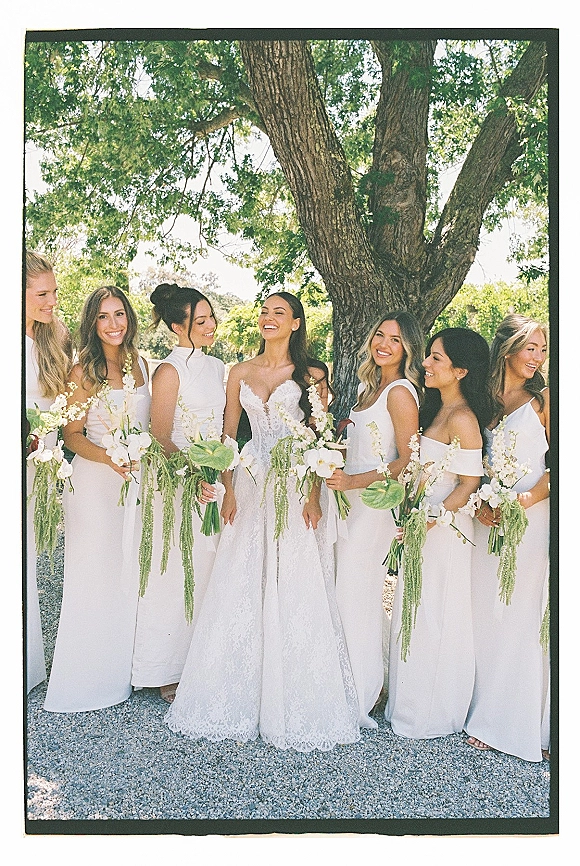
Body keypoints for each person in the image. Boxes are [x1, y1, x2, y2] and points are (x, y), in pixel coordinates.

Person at [166, 291, 360, 751]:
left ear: (295, 323)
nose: (268, 319)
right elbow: (228, 435)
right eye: (265, 312)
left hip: (295, 480)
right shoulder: (240, 371)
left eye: (279, 313)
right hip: (251, 477)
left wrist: (314, 495)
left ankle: (292, 693)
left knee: (294, 575)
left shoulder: (312, 374)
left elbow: (321, 437)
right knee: (242, 573)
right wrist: (227, 488)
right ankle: (235, 690)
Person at [44, 287, 150, 712]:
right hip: (95, 483)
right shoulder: (82, 372)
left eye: (119, 314)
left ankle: (125, 671)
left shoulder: (141, 365)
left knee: (127, 573)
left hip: (135, 485)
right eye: (104, 317)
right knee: (95, 575)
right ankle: (88, 678)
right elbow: (72, 436)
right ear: (92, 323)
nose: (113, 324)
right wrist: (110, 457)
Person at [386, 327, 493, 739]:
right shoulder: (438, 410)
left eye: (436, 359)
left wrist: (428, 518)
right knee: (414, 606)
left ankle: (431, 711)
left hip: (444, 530)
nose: (426, 364)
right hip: (422, 524)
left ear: (461, 370)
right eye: (428, 355)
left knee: (435, 612)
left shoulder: (463, 418)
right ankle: (409, 701)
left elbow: (468, 482)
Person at [325, 311, 423, 729]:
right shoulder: (369, 388)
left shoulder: (400, 392)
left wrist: (352, 480)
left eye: (395, 339)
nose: (384, 343)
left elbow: (406, 460)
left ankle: (360, 691)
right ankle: (347, 678)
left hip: (373, 504)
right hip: (350, 498)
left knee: (356, 590)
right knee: (343, 587)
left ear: (408, 349)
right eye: (379, 334)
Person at [131, 284, 226, 704]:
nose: (210, 326)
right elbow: (161, 435)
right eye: (199, 321)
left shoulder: (217, 366)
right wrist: (192, 473)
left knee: (205, 571)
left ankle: (197, 661)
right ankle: (162, 668)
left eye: (210, 317)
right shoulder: (169, 370)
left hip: (210, 479)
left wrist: (216, 467)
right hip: (178, 481)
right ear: (176, 327)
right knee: (174, 569)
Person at [464, 314, 550, 762]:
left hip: (530, 520)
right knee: (485, 609)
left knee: (519, 611)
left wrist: (528, 498)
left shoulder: (544, 400)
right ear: (507, 349)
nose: (536, 358)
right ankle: (481, 704)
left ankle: (514, 719)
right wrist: (481, 502)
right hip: (488, 520)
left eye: (542, 349)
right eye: (529, 347)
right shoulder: (483, 397)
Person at [25, 250, 72, 693]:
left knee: (28, 560)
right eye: (42, 294)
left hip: (41, 464)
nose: (52, 301)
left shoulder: (52, 337)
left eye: (54, 291)